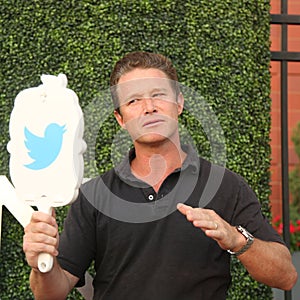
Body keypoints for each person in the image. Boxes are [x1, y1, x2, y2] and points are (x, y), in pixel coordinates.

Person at [23, 51, 297, 300]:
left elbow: (286, 275)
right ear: (121, 118)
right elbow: (51, 293)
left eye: (159, 95)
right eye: (133, 100)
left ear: (179, 103)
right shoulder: (94, 195)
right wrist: (41, 265)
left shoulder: (226, 185)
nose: (149, 107)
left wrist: (236, 239)